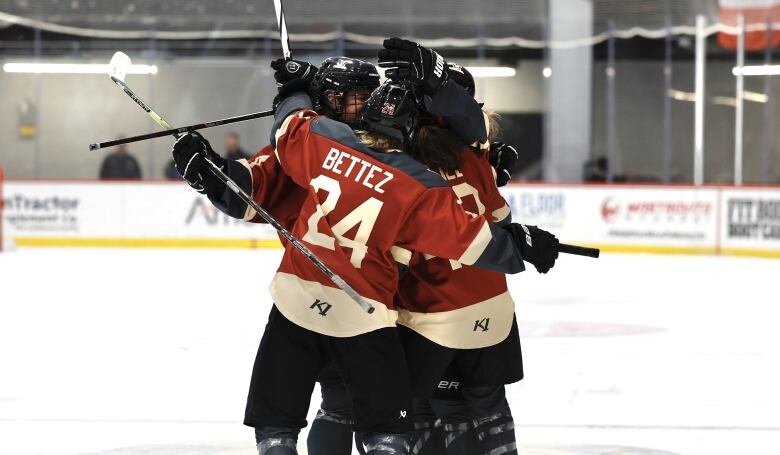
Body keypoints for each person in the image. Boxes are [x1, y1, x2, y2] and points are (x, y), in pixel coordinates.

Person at [171, 50, 558, 454]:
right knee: (410, 416)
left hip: (319, 299)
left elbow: (272, 156)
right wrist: (509, 229)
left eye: (364, 96)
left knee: (328, 411)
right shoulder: (419, 169)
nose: (357, 106)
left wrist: (291, 95)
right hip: (381, 309)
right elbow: (469, 221)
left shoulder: (321, 144)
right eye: (348, 97)